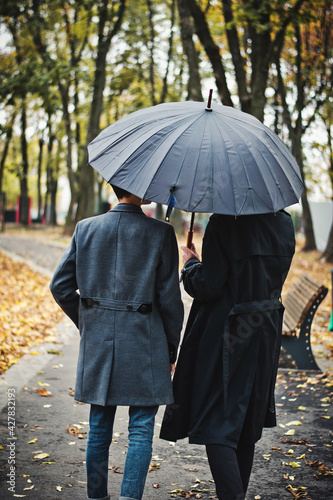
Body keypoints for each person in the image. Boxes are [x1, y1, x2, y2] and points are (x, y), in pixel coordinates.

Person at [50, 186, 184, 500]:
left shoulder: (86, 228)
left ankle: (97, 497)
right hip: (145, 343)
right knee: (141, 428)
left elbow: (60, 286)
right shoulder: (161, 233)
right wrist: (171, 348)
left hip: (99, 344)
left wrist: (89, 322)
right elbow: (170, 302)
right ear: (142, 188)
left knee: (99, 426)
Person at [160, 210, 295, 500]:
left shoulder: (224, 222)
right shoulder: (283, 222)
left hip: (229, 332)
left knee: (217, 422)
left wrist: (191, 265)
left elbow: (210, 285)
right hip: (265, 330)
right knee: (246, 421)